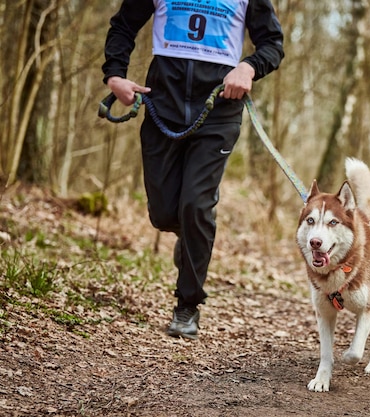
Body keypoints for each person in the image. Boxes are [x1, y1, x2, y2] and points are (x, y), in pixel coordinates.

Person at [102, 0, 284, 339]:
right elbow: (124, 25)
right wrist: (115, 74)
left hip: (219, 109)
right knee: (162, 213)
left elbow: (273, 44)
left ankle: (188, 305)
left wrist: (248, 67)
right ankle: (188, 236)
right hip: (162, 104)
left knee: (196, 206)